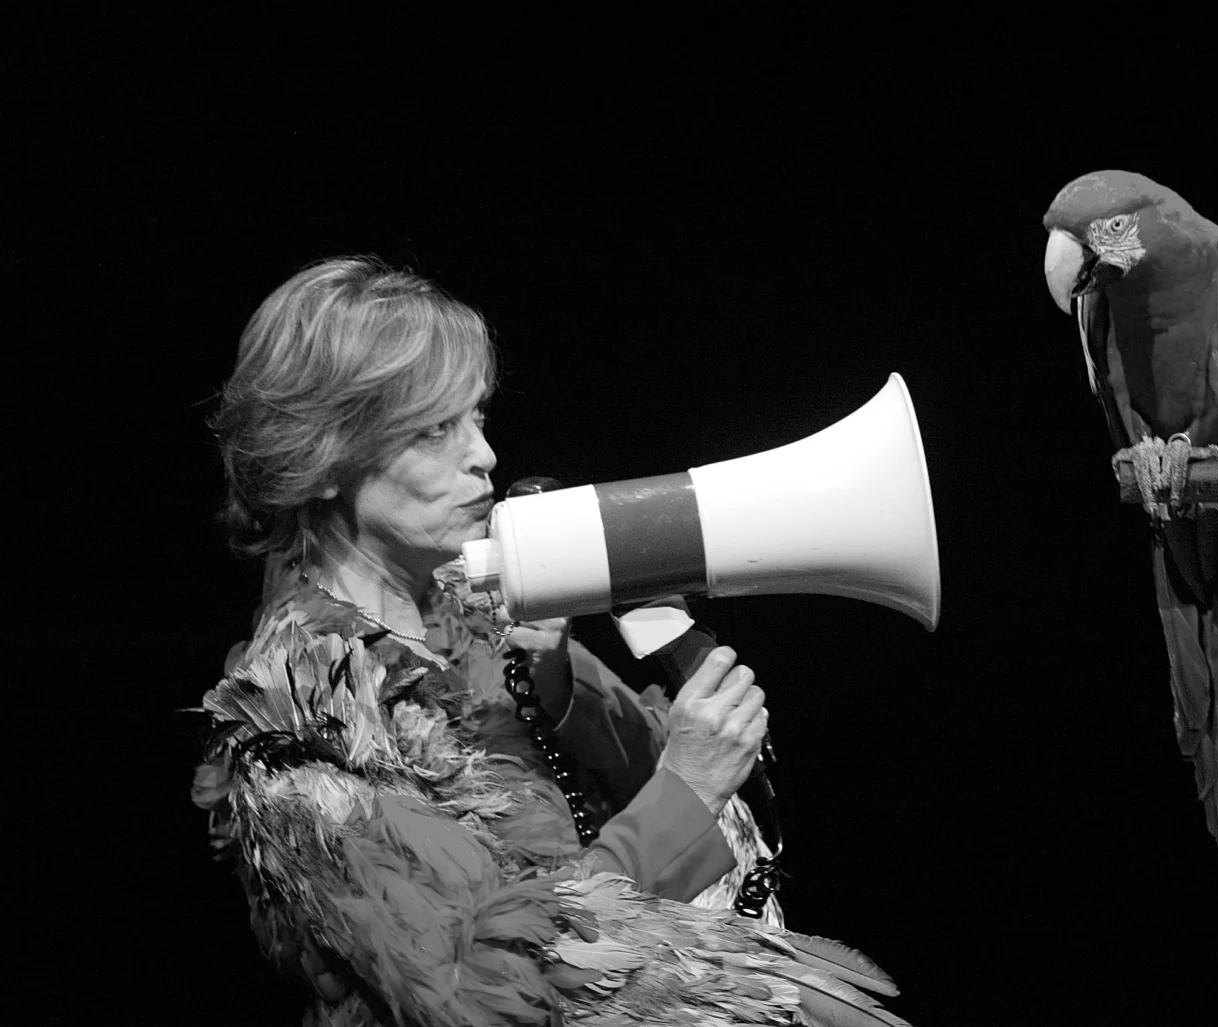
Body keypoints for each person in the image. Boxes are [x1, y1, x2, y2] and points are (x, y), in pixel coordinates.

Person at [191, 257, 908, 1026]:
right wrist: (686, 795)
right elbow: (487, 991)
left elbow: (648, 786)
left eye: (477, 417)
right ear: (324, 457)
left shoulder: (470, 608)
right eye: (436, 429)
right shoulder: (298, 726)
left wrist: (562, 692)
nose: (485, 455)